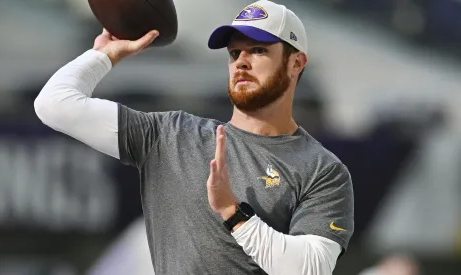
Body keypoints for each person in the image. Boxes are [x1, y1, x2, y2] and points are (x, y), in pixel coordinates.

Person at [34, 1, 354, 274]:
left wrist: (232, 212)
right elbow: (54, 105)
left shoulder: (321, 169)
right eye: (234, 53)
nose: (241, 61)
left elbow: (311, 267)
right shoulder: (171, 136)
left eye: (258, 50)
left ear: (296, 62)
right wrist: (103, 56)